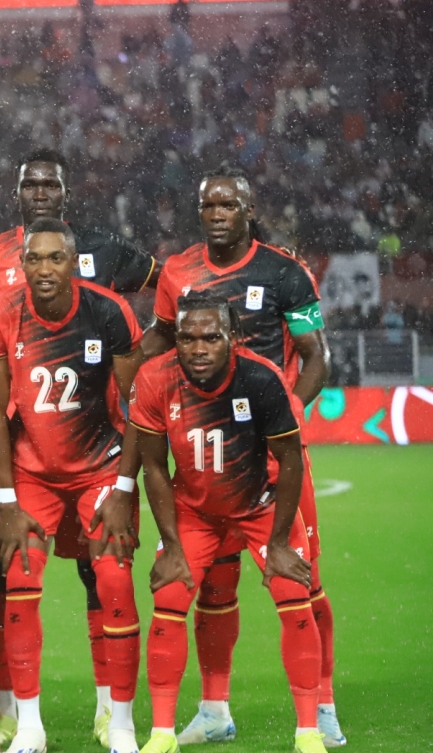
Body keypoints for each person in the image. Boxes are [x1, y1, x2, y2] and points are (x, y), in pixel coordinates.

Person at [0, 149, 159, 747]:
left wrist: (123, 489)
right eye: (34, 259)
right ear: (20, 263)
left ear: (74, 262)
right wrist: (5, 502)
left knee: (114, 582)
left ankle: (120, 724)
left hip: (100, 470)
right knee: (20, 584)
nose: (44, 268)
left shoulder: (110, 313)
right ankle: (29, 726)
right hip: (33, 474)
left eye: (55, 258)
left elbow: (136, 410)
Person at [140, 165, 341, 746]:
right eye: (209, 205)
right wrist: (118, 366)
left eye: (229, 204)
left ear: (249, 210)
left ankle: (323, 703)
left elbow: (316, 355)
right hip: (204, 451)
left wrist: (285, 416)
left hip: (271, 454)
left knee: (303, 579)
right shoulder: (177, 271)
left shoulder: (284, 271)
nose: (218, 214)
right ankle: (214, 709)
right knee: (213, 586)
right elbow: (161, 340)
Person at [129, 291, 325, 753]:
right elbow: (153, 466)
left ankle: (308, 732)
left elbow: (290, 460)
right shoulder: (154, 379)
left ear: (233, 337)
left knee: (295, 596)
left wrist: (280, 542)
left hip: (260, 505)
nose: (198, 348)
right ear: (175, 339)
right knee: (169, 596)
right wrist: (171, 544)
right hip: (196, 511)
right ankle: (161, 734)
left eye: (211, 337)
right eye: (187, 338)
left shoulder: (261, 378)